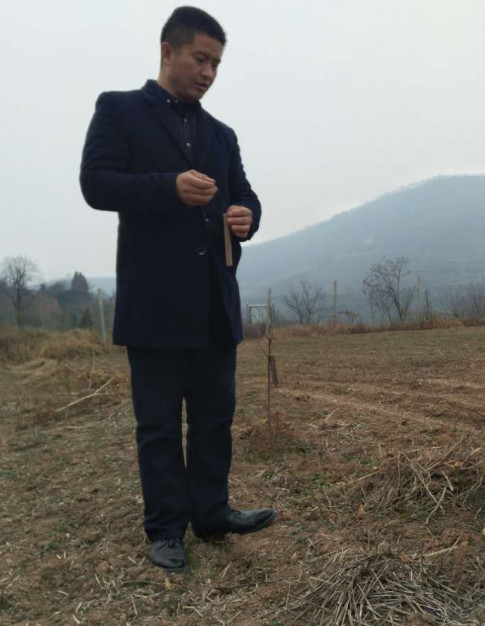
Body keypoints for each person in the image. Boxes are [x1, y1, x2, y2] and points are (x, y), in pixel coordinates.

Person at [80, 6, 275, 571]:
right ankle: (166, 529)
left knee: (214, 419)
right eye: (200, 59)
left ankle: (212, 513)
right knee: (159, 426)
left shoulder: (221, 135)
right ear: (168, 52)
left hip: (214, 302)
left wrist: (247, 217)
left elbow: (245, 196)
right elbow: (96, 184)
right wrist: (168, 187)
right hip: (155, 305)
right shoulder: (119, 110)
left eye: (217, 64)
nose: (209, 72)